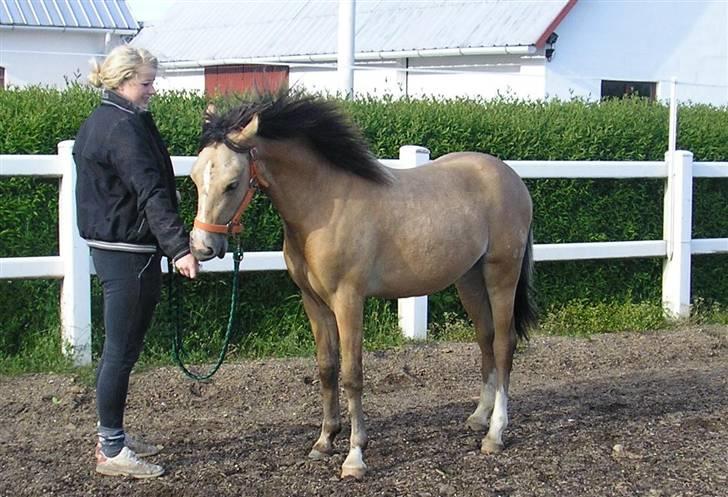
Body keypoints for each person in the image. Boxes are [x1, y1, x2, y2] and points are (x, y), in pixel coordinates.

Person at [72, 45, 199, 478]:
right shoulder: (123, 128)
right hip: (129, 252)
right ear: (124, 80)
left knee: (121, 351)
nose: (152, 89)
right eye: (146, 82)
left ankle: (115, 436)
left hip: (120, 247)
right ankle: (110, 449)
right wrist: (179, 248)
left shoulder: (109, 119)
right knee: (119, 353)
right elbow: (149, 192)